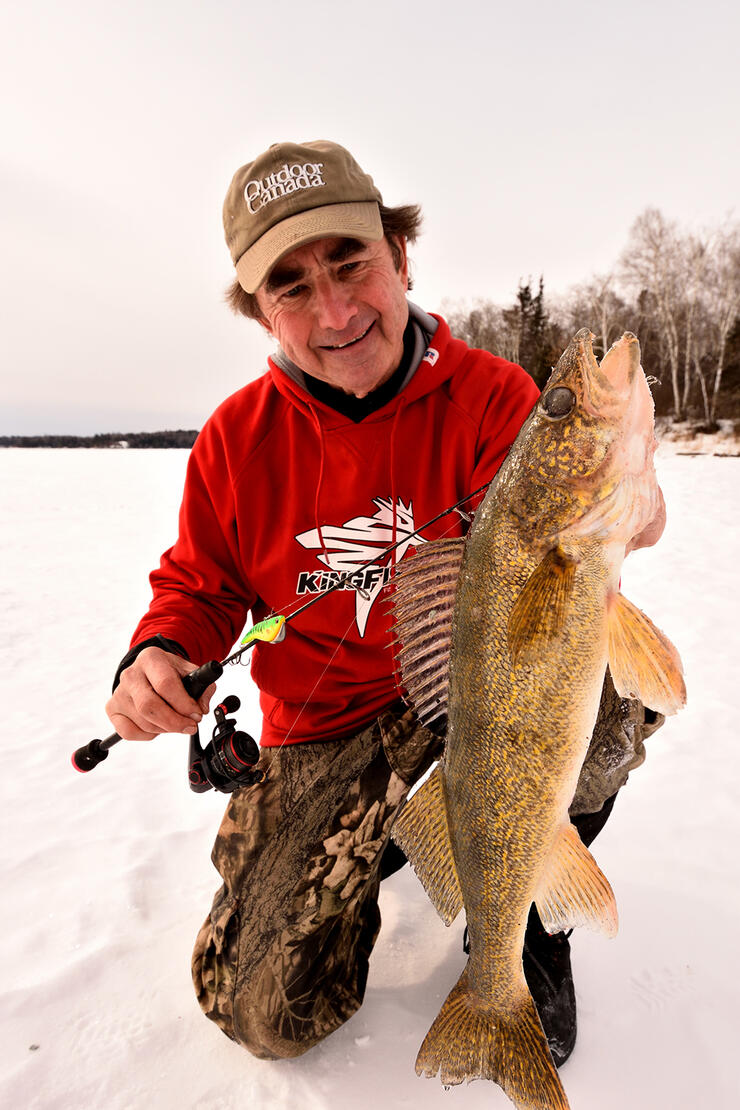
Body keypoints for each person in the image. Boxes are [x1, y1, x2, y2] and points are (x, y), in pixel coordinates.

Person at [105, 140, 660, 1067]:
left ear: (400, 257)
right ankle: (370, 862)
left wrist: (621, 510)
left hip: (465, 709)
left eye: (351, 263)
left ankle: (523, 916)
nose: (334, 309)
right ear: (261, 314)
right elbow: (198, 586)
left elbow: (544, 562)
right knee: (259, 1012)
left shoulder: (492, 397)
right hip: (323, 731)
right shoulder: (235, 441)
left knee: (604, 689)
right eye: (290, 287)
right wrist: (158, 652)